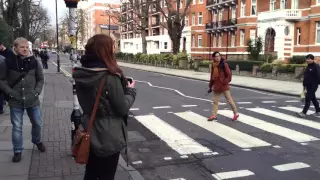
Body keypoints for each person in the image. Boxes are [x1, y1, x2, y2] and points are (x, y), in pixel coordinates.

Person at [73, 34, 136, 180]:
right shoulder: (109, 77)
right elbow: (122, 108)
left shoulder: (81, 73)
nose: (114, 49)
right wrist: (130, 90)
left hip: (89, 127)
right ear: (104, 51)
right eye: (112, 46)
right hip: (108, 134)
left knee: (91, 172)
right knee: (106, 175)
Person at [0, 37, 46, 163]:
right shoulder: (7, 62)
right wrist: (10, 93)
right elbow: (2, 80)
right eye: (22, 47)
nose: (25, 49)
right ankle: (18, 151)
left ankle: (36, 140)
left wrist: (36, 92)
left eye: (26, 47)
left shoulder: (34, 62)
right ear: (15, 48)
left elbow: (40, 79)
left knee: (37, 123)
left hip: (33, 100)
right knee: (17, 127)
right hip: (16, 101)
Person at [207, 51, 239, 121]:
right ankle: (214, 115)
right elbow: (212, 76)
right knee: (215, 102)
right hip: (217, 86)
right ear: (214, 58)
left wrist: (225, 82)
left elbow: (229, 75)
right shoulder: (213, 65)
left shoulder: (224, 64)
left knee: (229, 100)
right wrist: (210, 86)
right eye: (216, 56)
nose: (218, 57)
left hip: (224, 86)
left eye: (219, 56)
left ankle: (236, 113)